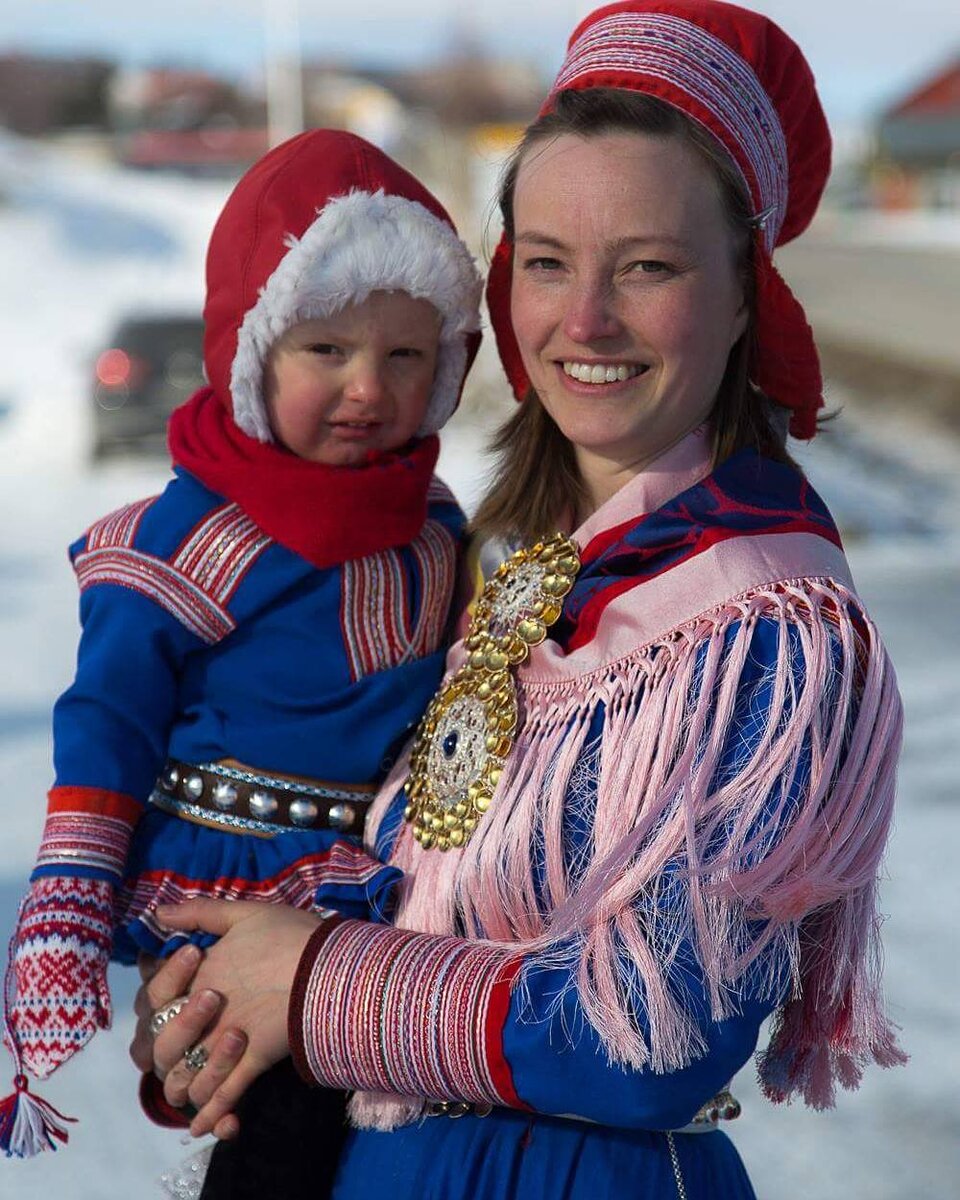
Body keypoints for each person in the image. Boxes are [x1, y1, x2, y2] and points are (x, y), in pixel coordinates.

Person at [130, 4, 907, 1198]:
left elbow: (655, 1032)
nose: (584, 321)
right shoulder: (525, 572)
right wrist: (229, 1002)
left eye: (646, 266)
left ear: (746, 294)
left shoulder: (764, 618)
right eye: (546, 262)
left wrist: (318, 986)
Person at [2, 127, 483, 1181]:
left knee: (387, 1127)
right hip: (228, 877)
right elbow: (109, 717)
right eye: (328, 352)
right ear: (251, 352)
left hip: (380, 889)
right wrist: (70, 892)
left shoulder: (436, 527)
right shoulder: (195, 536)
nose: (369, 388)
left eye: (406, 356)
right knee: (264, 1123)